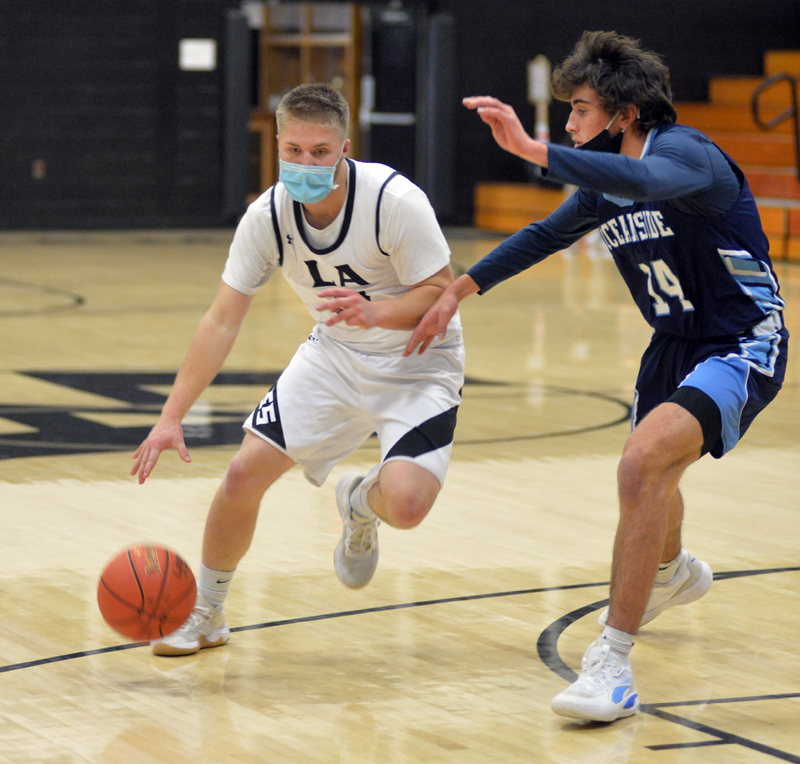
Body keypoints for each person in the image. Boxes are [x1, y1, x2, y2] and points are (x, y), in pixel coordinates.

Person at [406, 31, 788, 722]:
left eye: (579, 109)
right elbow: (542, 235)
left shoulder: (685, 155)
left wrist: (530, 151)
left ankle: (610, 663)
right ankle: (670, 572)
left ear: (624, 113)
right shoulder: (604, 183)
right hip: (672, 343)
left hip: (741, 339)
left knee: (640, 465)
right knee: (651, 480)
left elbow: (646, 183)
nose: (570, 124)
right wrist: (456, 292)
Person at [132, 83, 464, 656]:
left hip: (417, 360)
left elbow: (441, 294)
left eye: (319, 151)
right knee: (241, 476)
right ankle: (207, 612)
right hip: (333, 357)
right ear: (278, 145)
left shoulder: (393, 200)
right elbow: (221, 321)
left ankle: (360, 502)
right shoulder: (267, 217)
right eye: (294, 151)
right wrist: (171, 415)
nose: (305, 162)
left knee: (407, 505)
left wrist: (376, 311)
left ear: (344, 148)